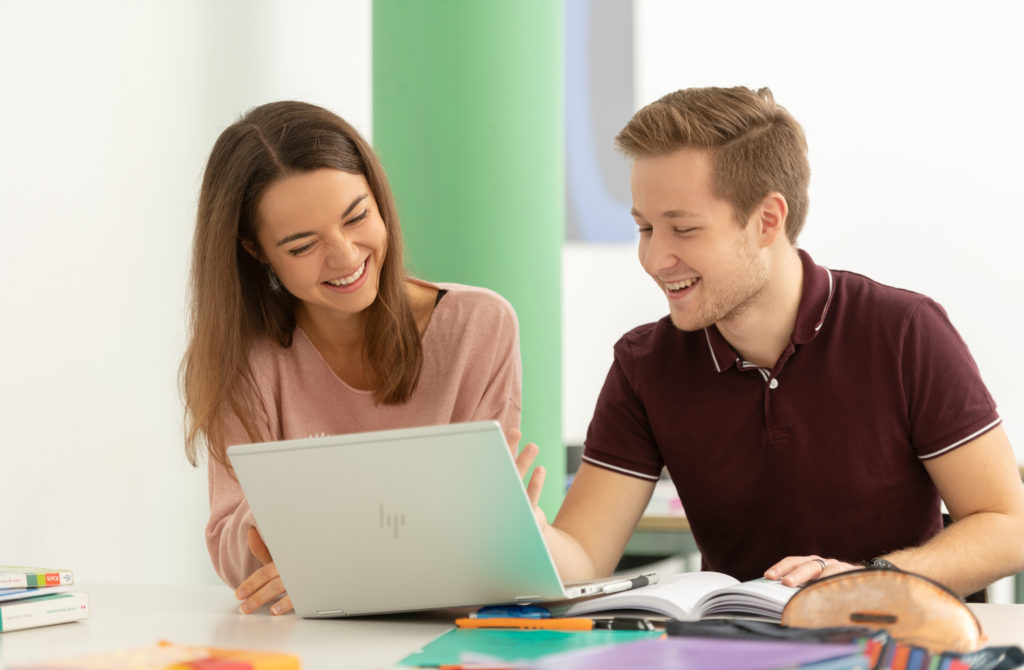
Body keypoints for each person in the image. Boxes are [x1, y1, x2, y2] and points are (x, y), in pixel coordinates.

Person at [520, 86, 1024, 598]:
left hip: (896, 652)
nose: (654, 260)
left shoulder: (904, 332)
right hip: (737, 662)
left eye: (684, 229)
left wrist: (868, 578)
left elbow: (1008, 526)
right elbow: (583, 557)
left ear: (767, 220)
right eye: (646, 229)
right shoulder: (643, 365)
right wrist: (529, 535)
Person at [181, 101, 534, 615]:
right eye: (303, 246)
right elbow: (240, 556)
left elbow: (481, 536)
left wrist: (322, 539)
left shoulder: (479, 325)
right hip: (306, 638)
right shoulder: (242, 357)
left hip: (450, 631)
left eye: (357, 217)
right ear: (256, 252)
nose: (346, 257)